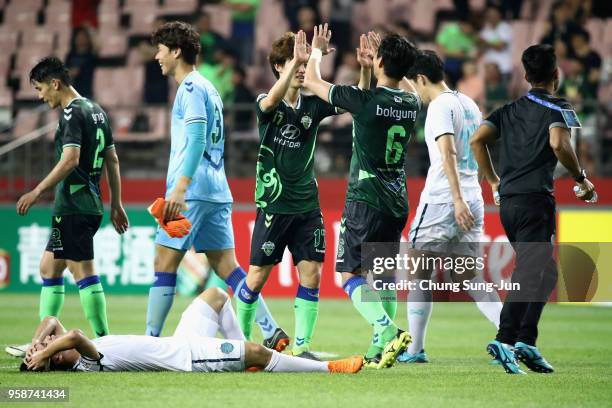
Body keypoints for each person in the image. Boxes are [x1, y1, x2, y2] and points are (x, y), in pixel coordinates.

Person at [146, 21, 288, 351]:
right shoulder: (210, 88)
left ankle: (150, 342)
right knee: (227, 266)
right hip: (216, 191)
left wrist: (179, 188)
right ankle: (270, 330)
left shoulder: (191, 89)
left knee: (163, 264)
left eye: (161, 50)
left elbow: (196, 138)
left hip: (191, 191)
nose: (157, 56)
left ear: (176, 51)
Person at [235, 30, 370, 360]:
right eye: (291, 62)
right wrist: (304, 58)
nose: (299, 68)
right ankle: (241, 342)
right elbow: (270, 101)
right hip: (273, 206)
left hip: (307, 205)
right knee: (256, 278)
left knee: (312, 274)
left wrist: (365, 70)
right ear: (279, 67)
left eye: (302, 62)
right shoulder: (266, 102)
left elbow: (360, 98)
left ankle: (303, 346)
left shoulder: (313, 103)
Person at [470, 44, 596, 374]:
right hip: (536, 201)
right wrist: (580, 178)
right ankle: (505, 338)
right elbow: (558, 143)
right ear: (557, 74)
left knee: (545, 271)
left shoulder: (507, 110)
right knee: (531, 268)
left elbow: (476, 140)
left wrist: (494, 182)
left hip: (509, 204)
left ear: (526, 77)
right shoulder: (559, 106)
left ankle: (526, 340)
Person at [304, 26, 419, 369]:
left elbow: (311, 81)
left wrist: (317, 52)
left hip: (365, 199)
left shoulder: (365, 101)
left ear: (383, 59)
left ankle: (387, 332)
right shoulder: (411, 102)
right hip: (397, 201)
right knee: (383, 276)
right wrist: (371, 68)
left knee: (349, 276)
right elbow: (402, 85)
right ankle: (377, 349)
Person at [7, 57, 129, 358]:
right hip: (85, 203)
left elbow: (70, 159)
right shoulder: (96, 110)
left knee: (83, 272)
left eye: (39, 89)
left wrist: (37, 191)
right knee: (49, 267)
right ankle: (41, 339)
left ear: (55, 84)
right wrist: (116, 203)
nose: (40, 96)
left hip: (75, 204)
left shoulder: (72, 114)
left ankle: (104, 342)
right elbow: (112, 160)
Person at [396, 50, 502, 363]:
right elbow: (480, 147)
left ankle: (415, 350)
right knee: (470, 278)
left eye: (414, 84)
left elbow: (448, 155)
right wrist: (480, 187)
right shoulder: (468, 102)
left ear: (421, 79)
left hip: (444, 199)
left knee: (418, 272)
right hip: (473, 196)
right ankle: (511, 337)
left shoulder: (439, 107)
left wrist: (456, 199)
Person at [21, 288, 363, 374]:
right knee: (259, 351)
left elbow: (52, 319)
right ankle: (327, 368)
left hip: (178, 341)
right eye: (53, 347)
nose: (53, 339)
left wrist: (35, 347)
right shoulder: (87, 361)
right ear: (61, 358)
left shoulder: (68, 352)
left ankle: (249, 358)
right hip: (186, 357)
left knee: (215, 296)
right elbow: (74, 334)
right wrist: (44, 354)